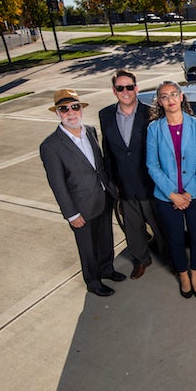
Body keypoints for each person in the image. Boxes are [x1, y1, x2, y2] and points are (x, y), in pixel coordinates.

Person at [40, 89, 126, 297]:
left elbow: (99, 166)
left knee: (106, 238)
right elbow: (57, 184)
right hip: (80, 208)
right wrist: (71, 214)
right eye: (64, 109)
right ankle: (93, 281)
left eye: (75, 107)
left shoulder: (90, 131)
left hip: (103, 197)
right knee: (87, 248)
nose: (71, 113)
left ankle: (107, 268)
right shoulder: (50, 146)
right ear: (57, 113)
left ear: (81, 109)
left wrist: (111, 188)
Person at [146, 81, 196, 299]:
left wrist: (188, 193)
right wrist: (173, 195)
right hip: (167, 198)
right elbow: (152, 166)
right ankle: (183, 276)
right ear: (160, 102)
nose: (170, 99)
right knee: (174, 239)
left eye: (174, 94)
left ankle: (195, 275)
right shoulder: (154, 129)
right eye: (165, 96)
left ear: (181, 97)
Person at [99, 69, 163, 280]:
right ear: (114, 91)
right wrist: (111, 181)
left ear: (136, 88)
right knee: (133, 229)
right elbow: (107, 151)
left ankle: (172, 260)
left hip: (150, 183)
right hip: (124, 184)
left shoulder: (151, 113)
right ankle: (142, 260)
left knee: (161, 226)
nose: (125, 91)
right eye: (120, 88)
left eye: (129, 87)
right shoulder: (105, 115)